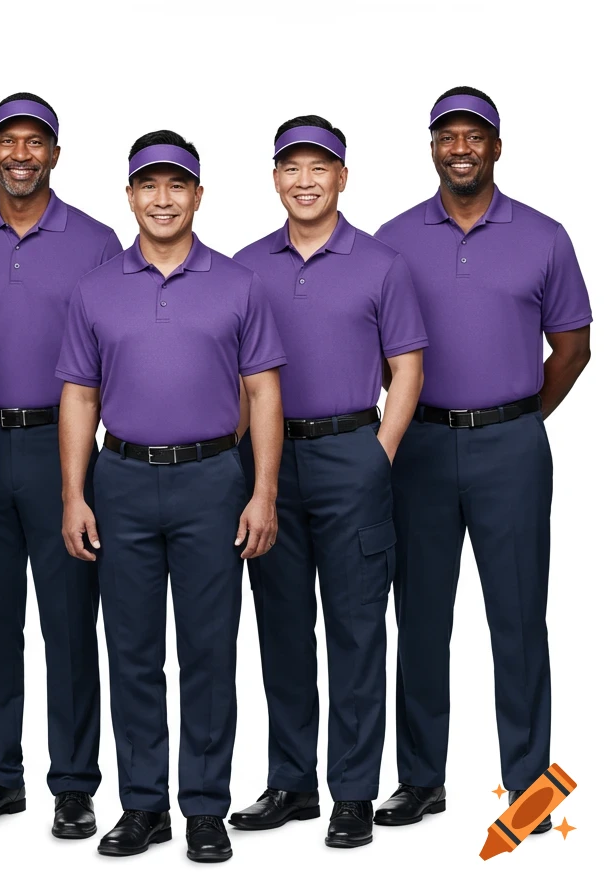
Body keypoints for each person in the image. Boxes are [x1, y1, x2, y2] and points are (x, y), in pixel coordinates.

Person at [56, 131, 286, 863]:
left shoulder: (238, 283)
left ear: (197, 196)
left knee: (210, 650)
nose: (162, 198)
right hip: (120, 479)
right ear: (129, 197)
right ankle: (144, 805)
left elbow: (264, 392)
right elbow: (78, 396)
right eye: (148, 186)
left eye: (176, 185)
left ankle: (205, 807)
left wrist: (264, 492)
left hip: (213, 479)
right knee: (131, 650)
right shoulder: (95, 289)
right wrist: (73, 493)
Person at [373, 87, 592, 829]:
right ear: (432, 146)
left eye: (475, 135)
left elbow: (573, 348)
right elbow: (379, 350)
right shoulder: (393, 239)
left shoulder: (545, 236)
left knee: (520, 617)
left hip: (512, 445)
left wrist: (517, 415)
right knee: (421, 615)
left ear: (497, 146)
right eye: (448, 135)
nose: (460, 147)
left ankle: (529, 789)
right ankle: (421, 778)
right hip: (421, 447)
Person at [227, 115, 427, 848]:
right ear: (275, 178)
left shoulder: (382, 264)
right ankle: (290, 783)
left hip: (351, 455)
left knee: (354, 626)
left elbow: (407, 367)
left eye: (320, 168)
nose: (305, 181)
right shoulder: (245, 267)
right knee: (280, 627)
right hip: (269, 469)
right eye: (291, 168)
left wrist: (381, 449)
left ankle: (351, 792)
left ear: (343, 177)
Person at [0, 92, 122, 838]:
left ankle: (74, 783)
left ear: (54, 154)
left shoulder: (99, 242)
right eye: (7, 141)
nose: (21, 153)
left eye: (34, 142)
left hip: (63, 451)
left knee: (71, 621)